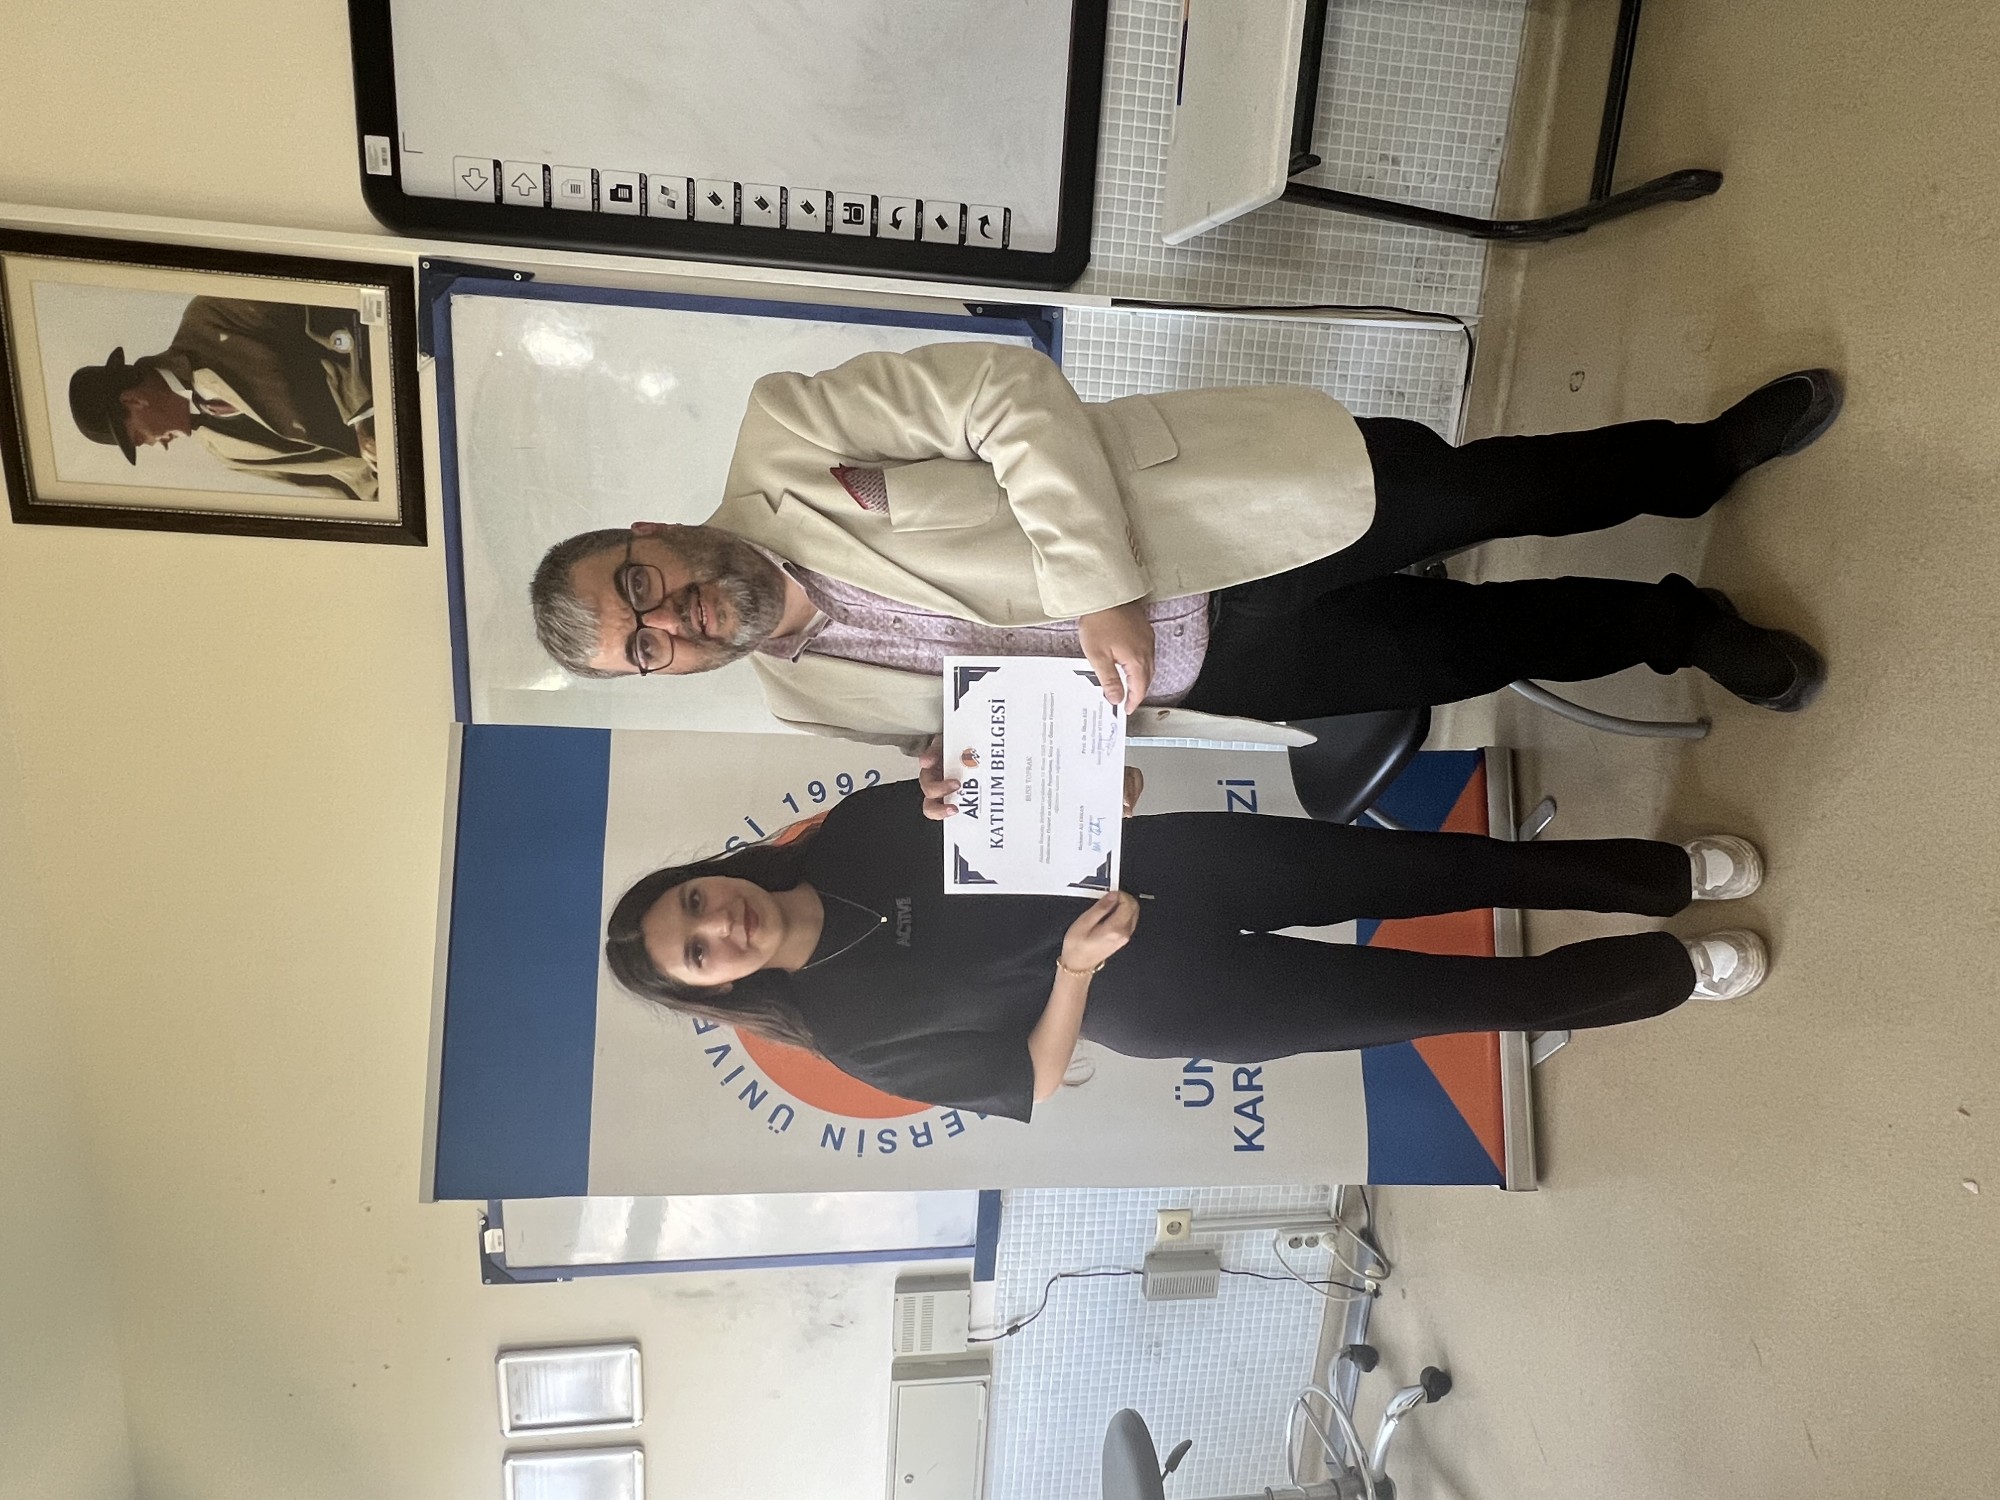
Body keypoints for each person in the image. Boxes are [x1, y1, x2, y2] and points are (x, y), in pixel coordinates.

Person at [530, 342, 1838, 775]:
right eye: (647, 650)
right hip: (1218, 675)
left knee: (1499, 490)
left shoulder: (785, 431)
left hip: (1206, 519)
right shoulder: (799, 700)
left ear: (645, 532)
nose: (675, 620)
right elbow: (998, 730)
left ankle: (1699, 459)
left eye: (637, 589)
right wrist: (972, 783)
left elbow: (1005, 394)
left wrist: (1100, 595)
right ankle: (1683, 627)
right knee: (1473, 651)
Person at [603, 776, 1770, 1122]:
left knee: (1448, 870)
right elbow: (1031, 1077)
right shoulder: (848, 1033)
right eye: (698, 951)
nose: (718, 924)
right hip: (1167, 997)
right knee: (1458, 998)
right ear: (720, 986)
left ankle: (1663, 877)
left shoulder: (859, 826)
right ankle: (1675, 972)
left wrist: (1083, 782)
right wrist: (1073, 970)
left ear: (714, 873)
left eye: (695, 902)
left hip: (1175, 860)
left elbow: (1050, 796)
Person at [67, 296, 379, 501]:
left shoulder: (210, 317)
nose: (158, 445)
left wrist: (363, 417)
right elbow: (342, 488)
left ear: (134, 401)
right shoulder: (223, 453)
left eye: (139, 438)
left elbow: (331, 309)